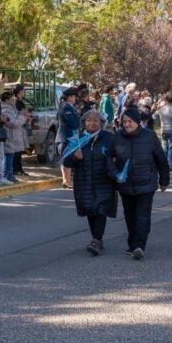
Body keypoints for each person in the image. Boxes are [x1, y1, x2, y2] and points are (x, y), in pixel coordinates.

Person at [107, 107, 169, 260]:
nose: (127, 124)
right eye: (125, 121)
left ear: (138, 122)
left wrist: (164, 179)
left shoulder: (150, 136)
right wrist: (115, 173)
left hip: (146, 183)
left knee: (142, 215)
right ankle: (132, 243)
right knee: (130, 215)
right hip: (125, 184)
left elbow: (160, 158)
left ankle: (140, 245)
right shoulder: (116, 137)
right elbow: (108, 158)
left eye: (130, 121)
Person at [62, 110, 117, 256]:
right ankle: (96, 239)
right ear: (84, 123)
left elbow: (119, 155)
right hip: (84, 181)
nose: (92, 123)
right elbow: (65, 161)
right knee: (90, 211)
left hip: (104, 180)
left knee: (101, 210)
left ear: (102, 123)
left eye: (95, 120)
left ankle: (96, 240)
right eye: (89, 120)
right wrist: (74, 157)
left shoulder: (109, 138)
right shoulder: (78, 139)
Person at [57, 88, 80, 189]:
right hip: (65, 136)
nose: (75, 98)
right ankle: (66, 180)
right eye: (74, 96)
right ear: (70, 97)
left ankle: (66, 180)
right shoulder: (66, 108)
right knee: (66, 158)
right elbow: (73, 123)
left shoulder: (70, 107)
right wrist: (80, 119)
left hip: (70, 137)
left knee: (68, 159)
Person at [154, 94, 172, 172]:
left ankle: (163, 164)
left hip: (164, 130)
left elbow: (154, 116)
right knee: (171, 148)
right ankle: (170, 165)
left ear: (167, 101)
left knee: (164, 148)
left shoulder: (161, 109)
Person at [1, 91, 26, 183]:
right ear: (7, 100)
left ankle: (9, 175)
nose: (14, 101)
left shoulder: (12, 109)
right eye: (12, 99)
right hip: (9, 137)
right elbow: (14, 123)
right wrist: (22, 116)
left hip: (12, 137)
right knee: (8, 156)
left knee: (10, 156)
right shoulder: (6, 110)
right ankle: (8, 175)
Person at [12, 84, 30, 176]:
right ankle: (16, 169)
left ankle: (19, 168)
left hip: (20, 127)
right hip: (17, 127)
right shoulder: (17, 101)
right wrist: (26, 115)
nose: (24, 92)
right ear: (20, 91)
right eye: (23, 90)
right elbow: (22, 113)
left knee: (19, 149)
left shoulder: (18, 101)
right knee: (17, 150)